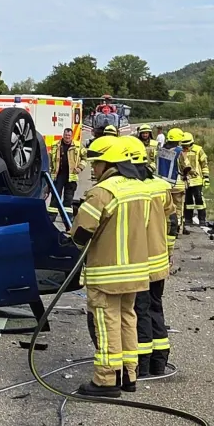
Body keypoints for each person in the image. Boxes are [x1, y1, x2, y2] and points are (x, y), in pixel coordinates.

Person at [70, 135, 155, 397]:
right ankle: (130, 374)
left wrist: (72, 234)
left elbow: (81, 233)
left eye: (96, 164)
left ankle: (106, 380)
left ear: (109, 163)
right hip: (136, 271)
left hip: (107, 272)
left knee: (106, 325)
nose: (93, 170)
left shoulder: (102, 192)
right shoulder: (139, 189)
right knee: (128, 319)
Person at [119, 137, 174, 380]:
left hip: (140, 261)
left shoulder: (131, 191)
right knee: (155, 307)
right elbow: (169, 218)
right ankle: (159, 362)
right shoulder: (161, 187)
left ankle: (141, 364)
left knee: (138, 309)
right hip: (160, 259)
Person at [157, 129, 188, 236]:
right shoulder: (180, 151)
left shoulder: (160, 150)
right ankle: (177, 228)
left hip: (162, 184)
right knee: (178, 207)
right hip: (177, 183)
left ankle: (165, 227)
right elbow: (186, 167)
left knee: (164, 208)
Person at [179, 130, 207, 227]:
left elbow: (204, 164)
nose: (185, 147)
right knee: (188, 201)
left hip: (197, 179)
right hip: (186, 180)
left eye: (187, 145)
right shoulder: (180, 151)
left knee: (199, 200)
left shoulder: (199, 150)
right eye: (183, 145)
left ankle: (202, 219)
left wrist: (206, 177)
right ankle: (188, 219)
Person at [49, 126, 81, 207]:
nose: (67, 137)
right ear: (63, 135)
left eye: (69, 135)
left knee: (68, 198)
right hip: (58, 175)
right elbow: (49, 158)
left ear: (72, 136)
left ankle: (66, 218)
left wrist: (80, 168)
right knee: (55, 197)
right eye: (66, 135)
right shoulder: (55, 145)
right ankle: (51, 217)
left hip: (71, 176)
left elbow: (85, 158)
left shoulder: (77, 146)